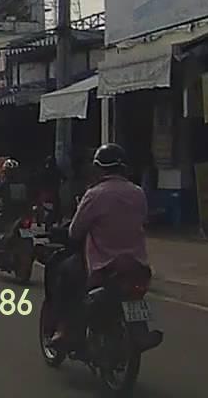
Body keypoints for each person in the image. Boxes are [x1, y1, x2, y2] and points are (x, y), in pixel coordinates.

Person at [48, 143, 150, 349]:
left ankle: (64, 329)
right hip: (137, 265)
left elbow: (75, 230)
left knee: (64, 273)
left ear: (98, 168)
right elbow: (142, 219)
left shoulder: (95, 194)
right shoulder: (138, 192)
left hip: (103, 265)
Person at [0, 158, 32, 250]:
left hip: (8, 216)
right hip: (23, 215)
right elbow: (30, 199)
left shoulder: (5, 185)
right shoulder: (25, 184)